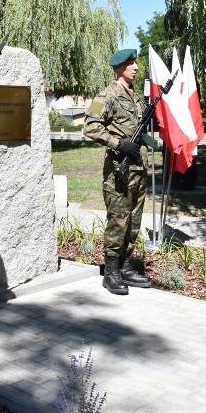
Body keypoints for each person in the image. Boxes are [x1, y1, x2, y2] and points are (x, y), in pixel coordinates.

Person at [83, 49, 152, 295]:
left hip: (139, 168)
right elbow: (90, 128)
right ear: (119, 67)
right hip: (118, 171)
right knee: (118, 220)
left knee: (133, 221)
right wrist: (119, 143)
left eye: (136, 62)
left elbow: (139, 129)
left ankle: (125, 266)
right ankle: (111, 272)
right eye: (131, 63)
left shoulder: (137, 97)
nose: (135, 67)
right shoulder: (105, 95)